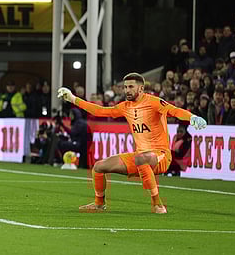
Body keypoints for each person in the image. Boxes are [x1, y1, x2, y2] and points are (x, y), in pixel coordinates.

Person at [57, 72, 207, 214]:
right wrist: (73, 99)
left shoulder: (153, 102)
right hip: (139, 157)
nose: (127, 90)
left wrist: (192, 117)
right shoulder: (125, 106)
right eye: (125, 87)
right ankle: (99, 203)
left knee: (140, 158)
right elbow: (100, 111)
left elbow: (174, 110)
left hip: (160, 156)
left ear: (141, 88)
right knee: (99, 167)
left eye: (130, 87)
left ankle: (158, 204)